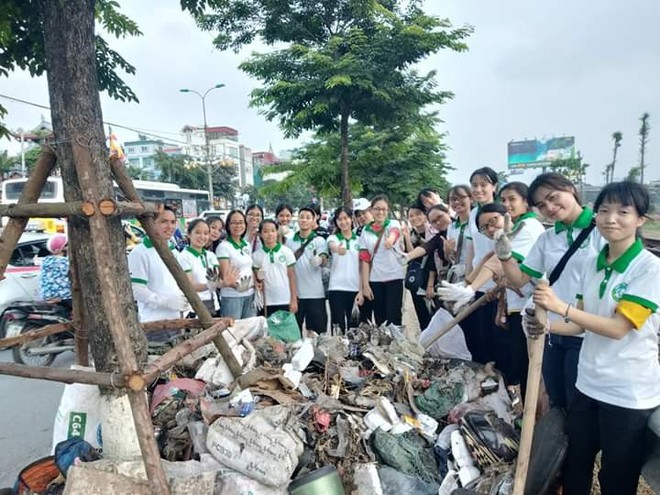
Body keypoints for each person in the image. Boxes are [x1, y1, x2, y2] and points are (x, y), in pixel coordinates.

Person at [530, 181, 660, 495]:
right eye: (604, 210)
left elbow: (617, 328)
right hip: (587, 384)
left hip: (626, 392)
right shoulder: (593, 264)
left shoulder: (649, 269)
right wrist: (547, 327)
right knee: (576, 464)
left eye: (623, 212)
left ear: (641, 219)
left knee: (616, 476)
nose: (610, 218)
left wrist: (559, 307)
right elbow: (580, 324)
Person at [497, 172, 603, 410]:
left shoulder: (603, 230)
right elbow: (520, 279)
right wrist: (504, 255)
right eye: (542, 205)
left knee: (581, 404)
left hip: (590, 333)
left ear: (570, 188)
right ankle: (559, 445)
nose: (551, 208)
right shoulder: (548, 238)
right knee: (558, 401)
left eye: (554, 198)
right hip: (553, 331)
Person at [496, 182, 545, 394]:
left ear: (526, 202)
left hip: (529, 306)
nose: (506, 204)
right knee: (524, 364)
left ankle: (529, 421)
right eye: (503, 200)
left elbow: (516, 275)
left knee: (528, 367)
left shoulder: (528, 228)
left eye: (512, 199)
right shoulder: (518, 226)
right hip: (520, 305)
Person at [128, 206, 189, 340]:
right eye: (164, 221)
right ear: (151, 224)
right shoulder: (140, 253)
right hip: (155, 324)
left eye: (173, 222)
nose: (170, 226)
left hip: (177, 320)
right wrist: (165, 302)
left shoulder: (174, 252)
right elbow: (136, 290)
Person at [358, 194, 404, 326]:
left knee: (394, 317)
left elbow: (395, 232)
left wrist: (390, 240)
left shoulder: (392, 224)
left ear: (388, 210)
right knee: (380, 318)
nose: (380, 212)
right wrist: (365, 286)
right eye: (377, 209)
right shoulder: (365, 232)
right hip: (375, 279)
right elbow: (365, 259)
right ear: (371, 210)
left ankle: (396, 346)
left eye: (384, 209)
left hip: (394, 278)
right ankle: (383, 346)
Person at [289, 206, 329, 333]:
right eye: (301, 217)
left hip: (315, 294)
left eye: (308, 217)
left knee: (317, 333)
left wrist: (320, 260)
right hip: (296, 295)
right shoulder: (289, 242)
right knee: (294, 334)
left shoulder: (319, 240)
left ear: (314, 220)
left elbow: (324, 259)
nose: (304, 220)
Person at [252, 219, 298, 316]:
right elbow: (257, 279)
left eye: (273, 231)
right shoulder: (256, 255)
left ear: (277, 232)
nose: (270, 234)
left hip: (285, 299)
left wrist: (293, 299)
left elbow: (292, 276)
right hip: (266, 302)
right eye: (265, 231)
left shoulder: (286, 252)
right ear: (260, 234)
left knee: (285, 329)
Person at [216, 210, 255, 319]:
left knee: (249, 331)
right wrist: (240, 288)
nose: (238, 226)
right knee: (234, 331)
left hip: (250, 294)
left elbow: (250, 268)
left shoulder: (246, 245)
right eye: (234, 222)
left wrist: (254, 285)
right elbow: (225, 276)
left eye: (241, 222)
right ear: (228, 225)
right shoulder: (223, 247)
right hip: (232, 296)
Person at [327, 206, 360, 332]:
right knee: (337, 327)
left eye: (346, 218)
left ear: (351, 219)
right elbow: (332, 246)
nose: (343, 222)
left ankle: (355, 352)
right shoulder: (333, 238)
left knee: (355, 327)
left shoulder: (359, 240)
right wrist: (337, 249)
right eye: (339, 219)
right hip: (336, 288)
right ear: (336, 222)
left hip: (355, 288)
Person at [401, 201, 433, 330]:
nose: (415, 218)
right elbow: (411, 255)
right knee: (421, 314)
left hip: (431, 276)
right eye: (411, 216)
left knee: (434, 314)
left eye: (418, 214)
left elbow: (432, 259)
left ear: (425, 215)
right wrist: (407, 238)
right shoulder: (411, 234)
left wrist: (430, 283)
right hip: (416, 278)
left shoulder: (433, 232)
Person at [178, 218, 220, 314]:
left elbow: (217, 280)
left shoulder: (211, 255)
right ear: (189, 234)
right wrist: (208, 285)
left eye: (206, 233)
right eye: (198, 232)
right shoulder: (183, 257)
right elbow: (190, 285)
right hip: (194, 307)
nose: (202, 236)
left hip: (213, 305)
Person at [444, 185, 472, 282]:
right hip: (457, 276)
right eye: (453, 199)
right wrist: (448, 251)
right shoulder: (451, 227)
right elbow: (450, 257)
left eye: (461, 198)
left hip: (475, 273)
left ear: (471, 199)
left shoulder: (476, 223)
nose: (457, 202)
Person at [39, 234, 72, 307]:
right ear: (60, 249)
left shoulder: (45, 261)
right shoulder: (64, 262)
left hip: (46, 295)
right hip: (63, 296)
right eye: (66, 246)